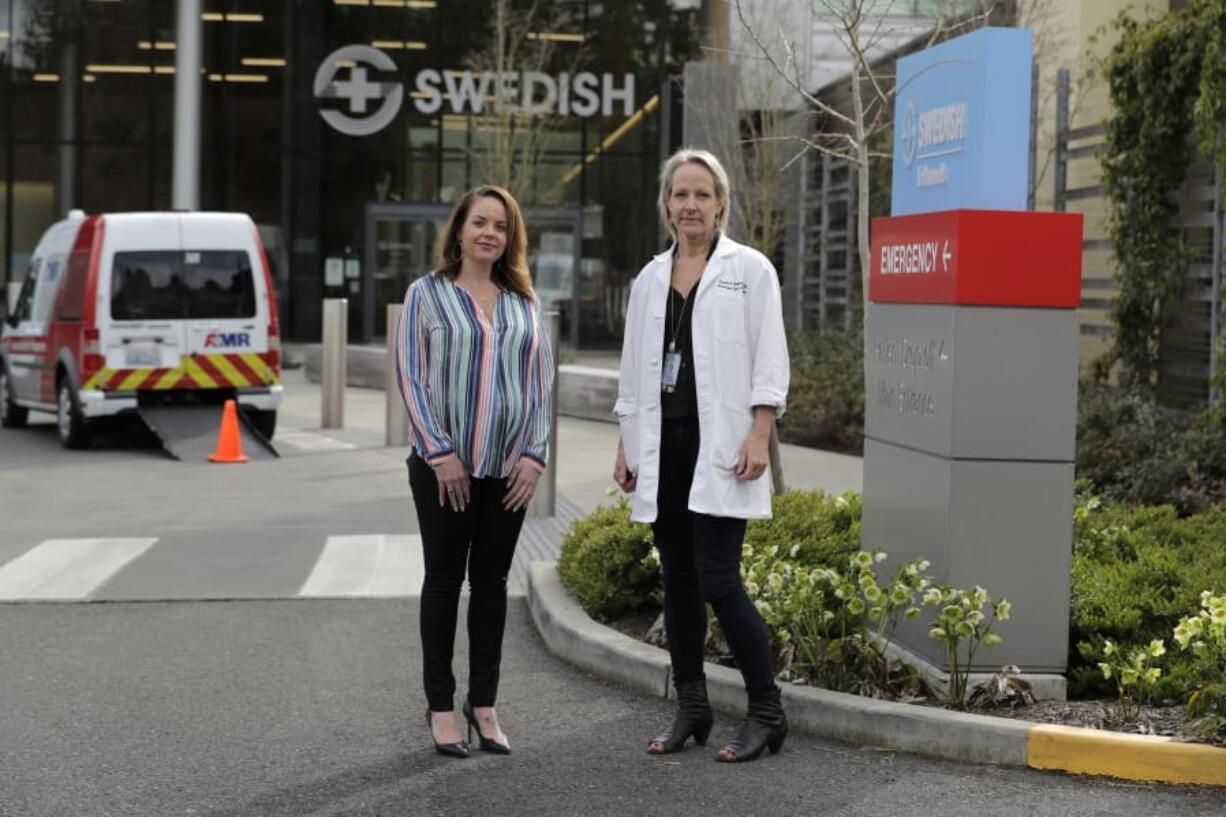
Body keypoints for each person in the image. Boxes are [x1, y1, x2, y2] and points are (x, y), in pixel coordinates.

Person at [613, 148, 790, 763]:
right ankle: (692, 706)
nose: (690, 206)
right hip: (664, 446)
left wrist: (760, 431)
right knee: (677, 580)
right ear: (666, 206)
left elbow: (770, 356)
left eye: (702, 195)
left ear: (721, 206)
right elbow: (635, 369)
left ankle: (767, 711)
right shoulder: (648, 279)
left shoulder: (751, 270)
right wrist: (626, 442)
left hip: (721, 446)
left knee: (719, 579)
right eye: (680, 195)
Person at [395, 185, 554, 759]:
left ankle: (483, 704)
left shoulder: (523, 302)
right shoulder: (426, 294)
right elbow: (411, 376)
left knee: (491, 586)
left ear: (510, 239)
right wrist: (441, 452)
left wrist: (534, 459)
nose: (490, 233)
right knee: (442, 583)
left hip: (508, 472)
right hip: (444, 471)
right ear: (459, 230)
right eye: (480, 222)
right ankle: (441, 706)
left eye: (501, 226)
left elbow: (541, 386)